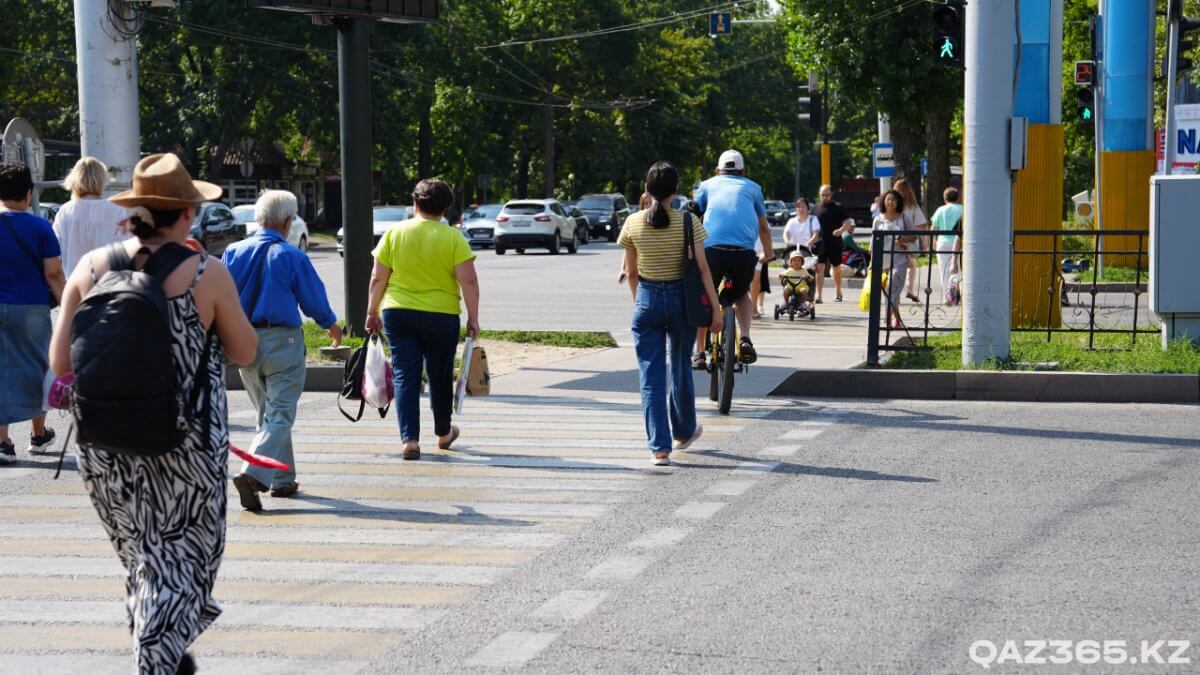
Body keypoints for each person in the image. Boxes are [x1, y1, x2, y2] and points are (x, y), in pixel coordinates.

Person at [49, 153, 258, 673]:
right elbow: (244, 352)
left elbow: (59, 361)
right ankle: (158, 658)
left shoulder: (91, 267)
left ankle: (165, 650)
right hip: (184, 445)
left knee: (148, 557)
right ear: (187, 214)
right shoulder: (206, 273)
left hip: (103, 445)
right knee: (185, 556)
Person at [222, 190, 342, 511]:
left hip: (244, 343)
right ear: (288, 221)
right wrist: (330, 324)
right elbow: (313, 300)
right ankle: (252, 473)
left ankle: (282, 479)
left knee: (269, 412)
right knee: (280, 414)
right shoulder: (291, 256)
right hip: (283, 343)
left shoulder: (232, 252)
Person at [366, 179, 480, 461]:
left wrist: (372, 311)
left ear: (415, 203)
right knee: (440, 374)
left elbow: (378, 277)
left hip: (398, 311)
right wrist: (473, 318)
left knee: (406, 374)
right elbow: (469, 281)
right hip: (442, 314)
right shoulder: (454, 237)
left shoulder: (394, 233)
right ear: (445, 209)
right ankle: (443, 433)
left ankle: (410, 441)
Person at [619, 162, 722, 466]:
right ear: (675, 190)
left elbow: (632, 274)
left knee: (651, 376)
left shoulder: (632, 222)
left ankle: (659, 448)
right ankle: (684, 432)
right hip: (681, 301)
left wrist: (641, 303)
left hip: (648, 300)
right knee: (680, 367)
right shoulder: (688, 222)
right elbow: (703, 269)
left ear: (647, 188)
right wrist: (715, 310)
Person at [0, 163, 66, 464]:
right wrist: (68, 306)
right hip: (32, 307)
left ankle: (2, 443)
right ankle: (38, 435)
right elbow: (53, 273)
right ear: (28, 194)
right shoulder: (40, 227)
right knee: (36, 367)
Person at [691, 149, 772, 369]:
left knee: (704, 296)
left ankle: (699, 353)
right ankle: (745, 337)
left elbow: (693, 215)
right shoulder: (753, 188)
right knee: (741, 294)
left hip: (712, 251)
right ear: (742, 171)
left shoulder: (707, 185)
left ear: (718, 170)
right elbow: (764, 228)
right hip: (743, 254)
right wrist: (769, 253)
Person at [53, 156, 130, 277]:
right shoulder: (116, 210)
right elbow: (125, 252)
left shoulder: (64, 211)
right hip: (107, 284)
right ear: (103, 179)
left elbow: (55, 252)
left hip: (73, 284)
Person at [872, 189, 915, 329]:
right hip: (883, 259)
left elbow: (915, 236)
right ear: (883, 201)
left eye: (894, 200)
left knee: (892, 288)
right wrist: (872, 262)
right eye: (888, 199)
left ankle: (886, 320)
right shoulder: (878, 220)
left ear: (898, 203)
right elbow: (873, 242)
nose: (891, 202)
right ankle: (897, 319)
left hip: (900, 258)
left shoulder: (903, 217)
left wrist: (903, 239)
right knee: (892, 291)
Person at [811, 184, 855, 303]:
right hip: (820, 243)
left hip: (835, 242)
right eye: (822, 195)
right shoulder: (815, 208)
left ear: (831, 194)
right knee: (819, 267)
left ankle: (838, 292)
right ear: (819, 195)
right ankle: (818, 295)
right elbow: (810, 225)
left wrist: (840, 231)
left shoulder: (838, 207)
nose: (825, 197)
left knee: (836, 268)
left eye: (827, 195)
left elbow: (847, 223)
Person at [894, 178, 928, 302]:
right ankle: (909, 290)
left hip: (895, 240)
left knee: (896, 265)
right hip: (910, 239)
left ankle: (895, 291)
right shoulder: (912, 206)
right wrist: (924, 242)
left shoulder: (892, 204)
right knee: (911, 265)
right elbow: (920, 226)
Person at [930, 187, 964, 305]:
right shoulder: (963, 209)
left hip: (943, 242)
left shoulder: (940, 210)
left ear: (945, 199)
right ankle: (957, 294)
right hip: (959, 243)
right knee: (958, 270)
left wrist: (934, 241)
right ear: (958, 197)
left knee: (944, 270)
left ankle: (948, 297)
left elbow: (933, 228)